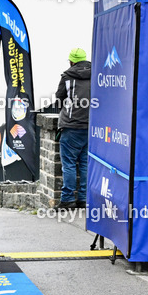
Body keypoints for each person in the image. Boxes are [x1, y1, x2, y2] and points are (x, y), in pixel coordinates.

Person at [55, 48, 92, 210]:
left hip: (71, 125)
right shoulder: (97, 74)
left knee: (69, 164)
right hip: (91, 126)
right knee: (84, 163)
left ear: (71, 61)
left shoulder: (67, 76)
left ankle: (68, 199)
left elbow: (59, 97)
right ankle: (83, 198)